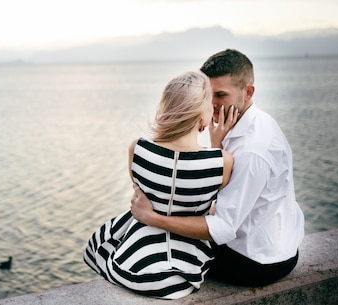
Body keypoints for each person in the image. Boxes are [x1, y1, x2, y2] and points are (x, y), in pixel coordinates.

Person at [131, 49, 305, 287]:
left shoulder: (252, 149)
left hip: (254, 261)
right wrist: (217, 145)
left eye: (220, 95)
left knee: (160, 247)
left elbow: (223, 227)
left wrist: (152, 217)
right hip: (275, 245)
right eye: (208, 95)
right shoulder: (254, 122)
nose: (211, 105)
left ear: (249, 91)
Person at [83, 71, 234, 299]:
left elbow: (147, 196)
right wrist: (217, 143)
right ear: (201, 114)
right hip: (182, 277)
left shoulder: (137, 149)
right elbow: (214, 211)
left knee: (107, 239)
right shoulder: (222, 162)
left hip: (132, 269)